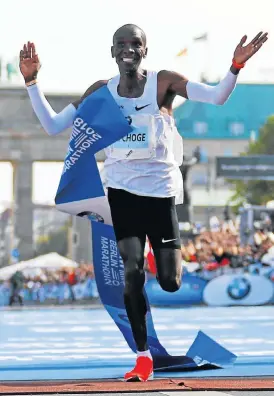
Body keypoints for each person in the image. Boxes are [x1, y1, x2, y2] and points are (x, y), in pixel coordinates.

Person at [19, 25, 268, 381]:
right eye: (121, 44)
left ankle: (159, 256)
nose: (128, 49)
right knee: (131, 275)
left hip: (161, 193)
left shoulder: (164, 83)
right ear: (112, 52)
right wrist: (32, 82)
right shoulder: (100, 93)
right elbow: (54, 125)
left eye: (135, 43)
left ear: (144, 51)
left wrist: (235, 67)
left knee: (170, 282)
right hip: (121, 193)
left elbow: (215, 98)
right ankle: (143, 357)